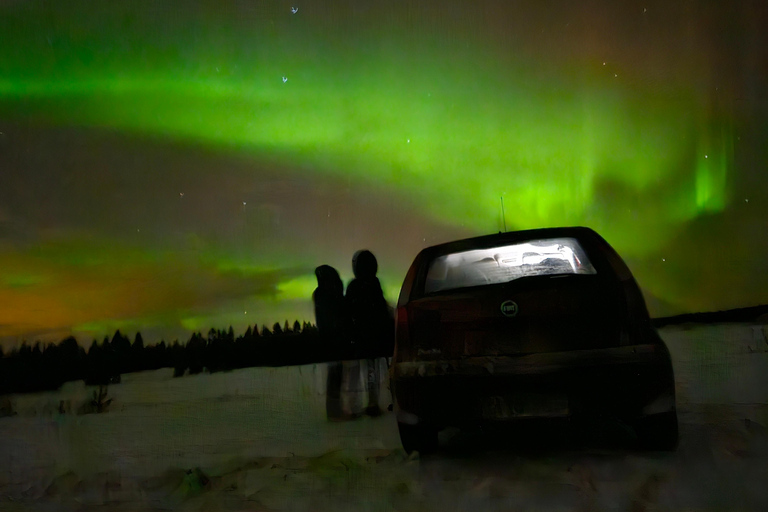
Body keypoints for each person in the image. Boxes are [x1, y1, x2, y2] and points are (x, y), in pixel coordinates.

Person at [345, 250, 394, 417]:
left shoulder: (355, 286)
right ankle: (370, 404)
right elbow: (381, 309)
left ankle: (357, 406)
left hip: (362, 337)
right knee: (370, 372)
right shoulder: (374, 284)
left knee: (358, 372)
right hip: (371, 337)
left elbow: (349, 311)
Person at [312, 265, 349, 420]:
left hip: (329, 340)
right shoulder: (328, 293)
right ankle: (334, 411)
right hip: (335, 340)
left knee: (334, 376)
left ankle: (334, 410)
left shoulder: (320, 294)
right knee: (335, 376)